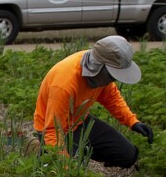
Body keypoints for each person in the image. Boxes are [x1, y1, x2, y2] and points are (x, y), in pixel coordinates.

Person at [32, 35, 155, 168]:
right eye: (112, 75)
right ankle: (38, 149)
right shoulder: (64, 85)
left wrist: (132, 121)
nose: (114, 80)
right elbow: (53, 130)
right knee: (55, 171)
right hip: (54, 131)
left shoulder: (101, 72)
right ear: (98, 67)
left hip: (79, 122)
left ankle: (79, 150)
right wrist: (67, 171)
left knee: (128, 155)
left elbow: (111, 97)